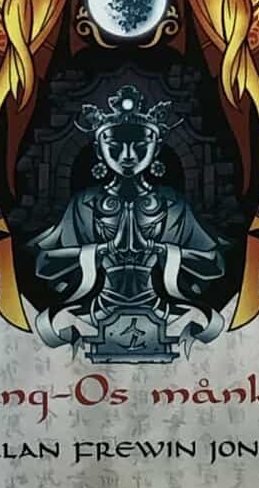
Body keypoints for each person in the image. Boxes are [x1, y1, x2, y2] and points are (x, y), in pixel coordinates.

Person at [30, 86, 227, 361]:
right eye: (115, 147)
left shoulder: (173, 205)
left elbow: (214, 263)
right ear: (99, 151)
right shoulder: (84, 204)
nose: (128, 155)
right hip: (94, 314)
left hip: (165, 313)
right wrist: (100, 251)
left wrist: (161, 251)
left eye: (140, 146)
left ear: (157, 148)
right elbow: (44, 263)